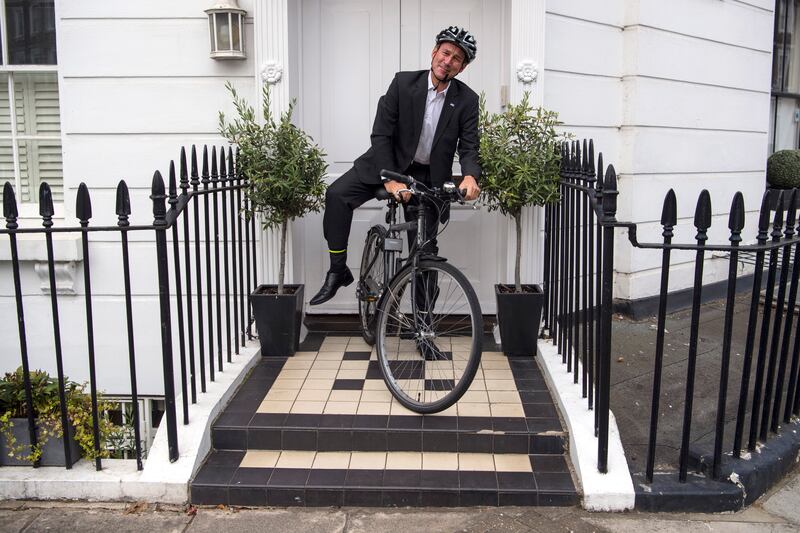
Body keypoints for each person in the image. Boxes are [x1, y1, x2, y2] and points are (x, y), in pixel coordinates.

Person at [309, 25, 482, 308]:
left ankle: (423, 322)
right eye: (445, 52)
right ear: (434, 52)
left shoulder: (466, 100)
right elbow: (381, 134)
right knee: (337, 195)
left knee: (425, 250)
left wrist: (471, 176)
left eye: (456, 59)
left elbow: (469, 146)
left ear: (461, 68)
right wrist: (389, 179)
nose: (448, 61)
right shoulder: (403, 83)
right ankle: (337, 269)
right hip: (386, 162)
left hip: (426, 176)